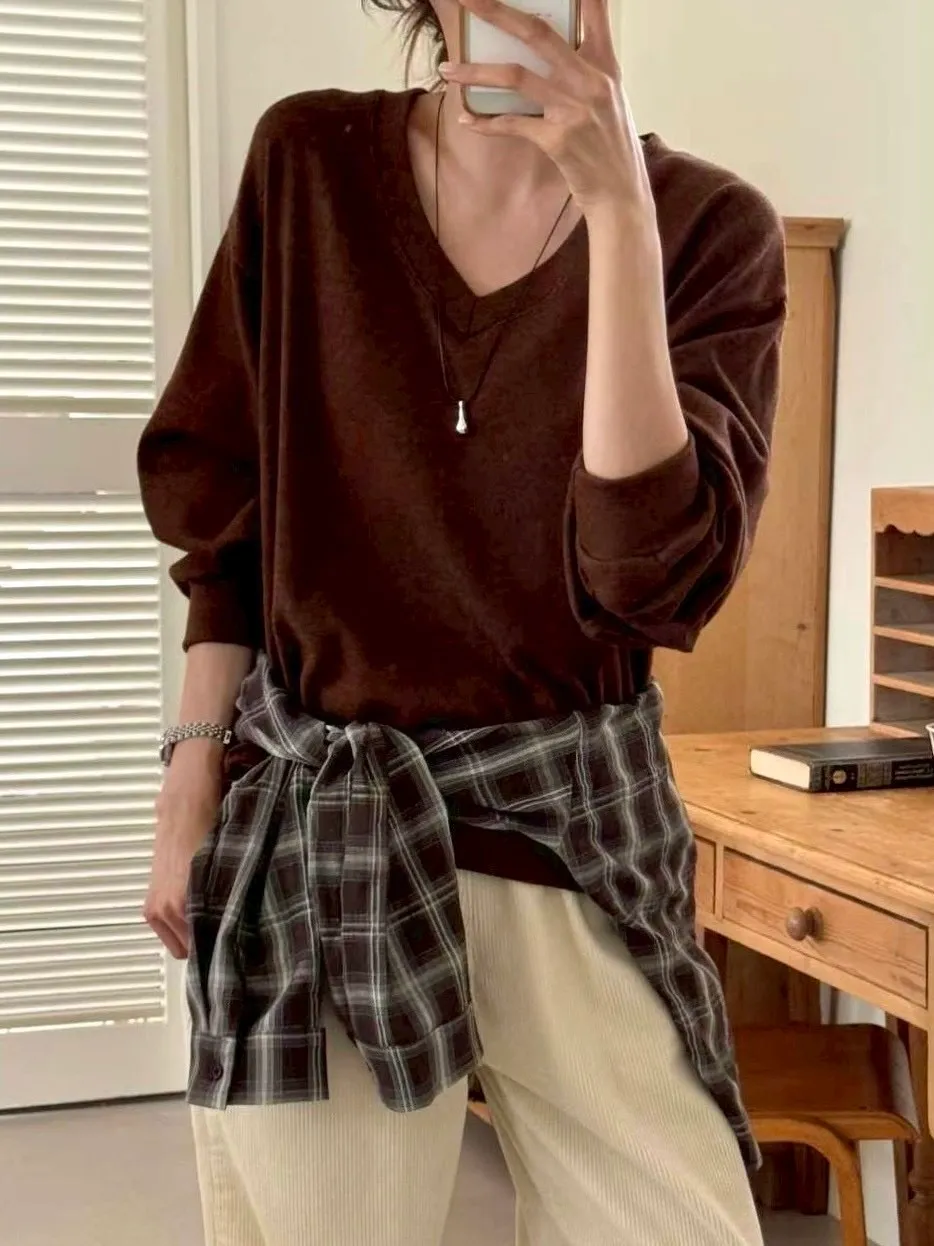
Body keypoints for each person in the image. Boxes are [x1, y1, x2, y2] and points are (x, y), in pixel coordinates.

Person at [138, 0, 786, 1242]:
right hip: (324, 831)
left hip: (573, 836)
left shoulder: (710, 228)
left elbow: (645, 580)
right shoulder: (309, 162)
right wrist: (189, 776)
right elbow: (226, 516)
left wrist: (618, 216)